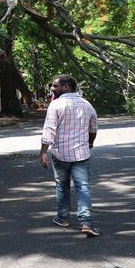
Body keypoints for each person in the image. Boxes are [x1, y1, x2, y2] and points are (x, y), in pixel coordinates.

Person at [40, 74, 100, 237]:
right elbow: (93, 129)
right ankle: (86, 222)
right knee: (83, 187)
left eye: (55, 86)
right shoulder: (87, 105)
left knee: (62, 185)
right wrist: (90, 144)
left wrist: (43, 152)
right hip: (81, 154)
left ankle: (62, 217)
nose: (52, 89)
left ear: (66, 86)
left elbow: (49, 130)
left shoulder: (55, 105)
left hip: (61, 154)